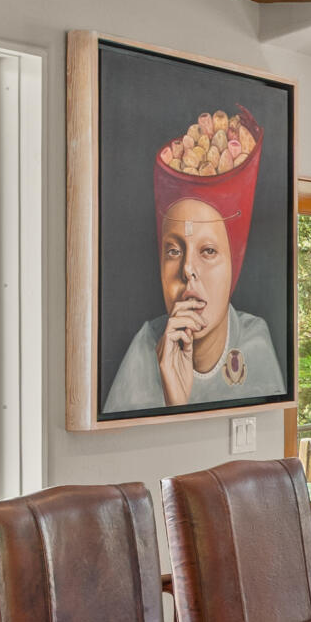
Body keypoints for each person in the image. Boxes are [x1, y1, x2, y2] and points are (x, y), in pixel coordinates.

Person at [102, 108, 284, 414]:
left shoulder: (254, 341)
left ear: (234, 266)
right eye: (174, 251)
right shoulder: (144, 348)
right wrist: (174, 398)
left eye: (208, 251)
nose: (187, 270)